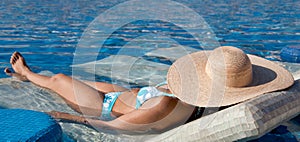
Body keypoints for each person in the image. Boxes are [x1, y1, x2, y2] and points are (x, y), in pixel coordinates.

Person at [4, 46, 294, 134]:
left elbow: (113, 127)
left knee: (56, 78)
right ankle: (33, 76)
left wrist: (66, 117)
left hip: (104, 105)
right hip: (131, 94)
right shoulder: (194, 102)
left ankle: (26, 73)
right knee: (67, 77)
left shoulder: (163, 108)